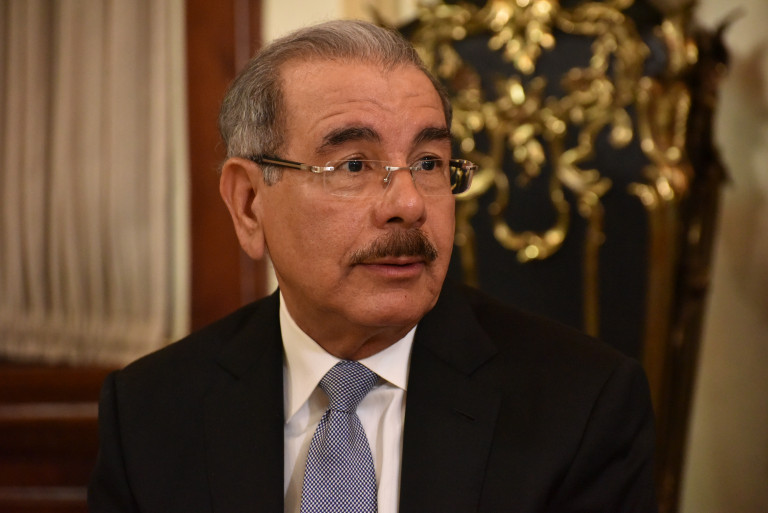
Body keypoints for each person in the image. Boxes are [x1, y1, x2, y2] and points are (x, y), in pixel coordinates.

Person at [88, 19, 657, 513]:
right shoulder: (149, 414)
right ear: (249, 203)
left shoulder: (582, 408)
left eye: (428, 163)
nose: (409, 204)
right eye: (354, 165)